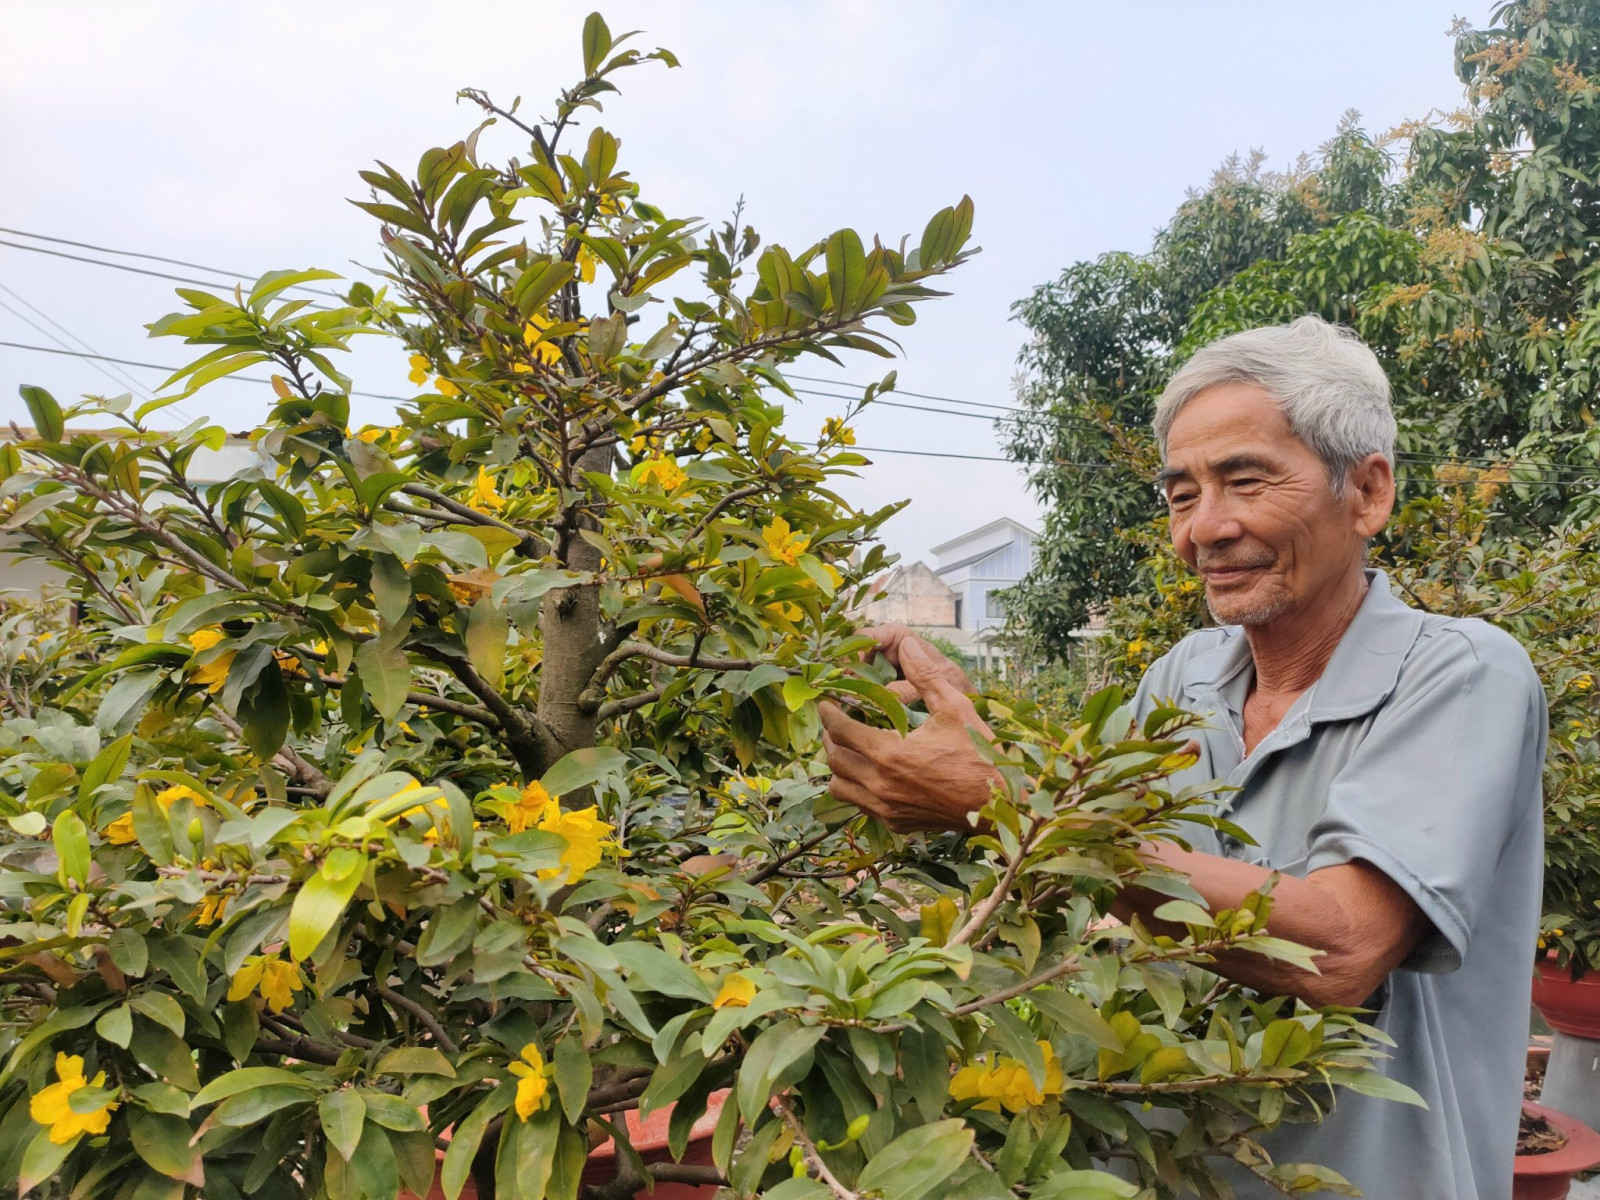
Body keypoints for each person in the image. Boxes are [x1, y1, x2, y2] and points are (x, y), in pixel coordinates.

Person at [819, 316, 1547, 1200]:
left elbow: (1345, 945)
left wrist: (1006, 802)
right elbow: (1079, 858)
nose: (1206, 528)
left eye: (1245, 481)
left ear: (1367, 493)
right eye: (1180, 494)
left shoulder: (1464, 671)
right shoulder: (1184, 675)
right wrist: (970, 746)